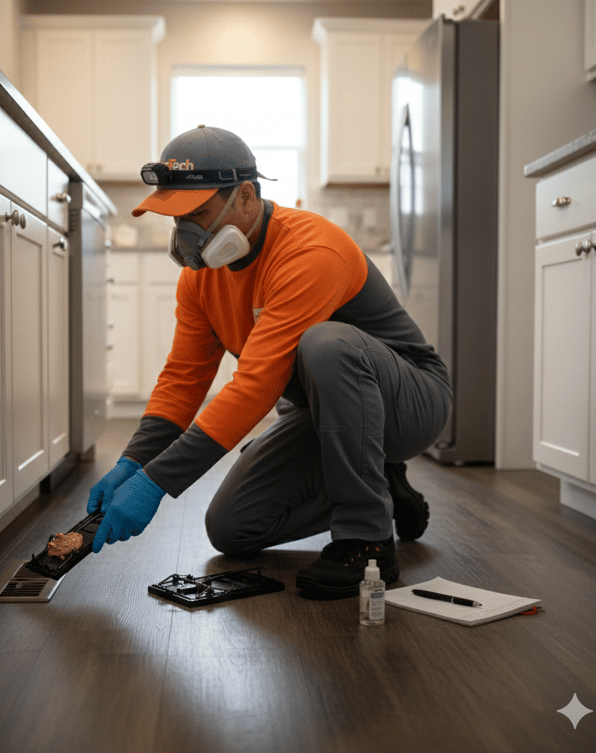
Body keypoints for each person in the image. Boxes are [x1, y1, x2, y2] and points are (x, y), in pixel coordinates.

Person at [87, 125, 452, 598]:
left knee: (327, 344)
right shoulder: (201, 280)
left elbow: (256, 386)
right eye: (175, 219)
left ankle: (367, 539)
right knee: (233, 528)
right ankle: (376, 474)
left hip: (411, 403)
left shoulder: (310, 251)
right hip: (324, 416)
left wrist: (156, 482)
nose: (187, 235)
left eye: (197, 213)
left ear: (245, 197)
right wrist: (133, 462)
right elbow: (184, 378)